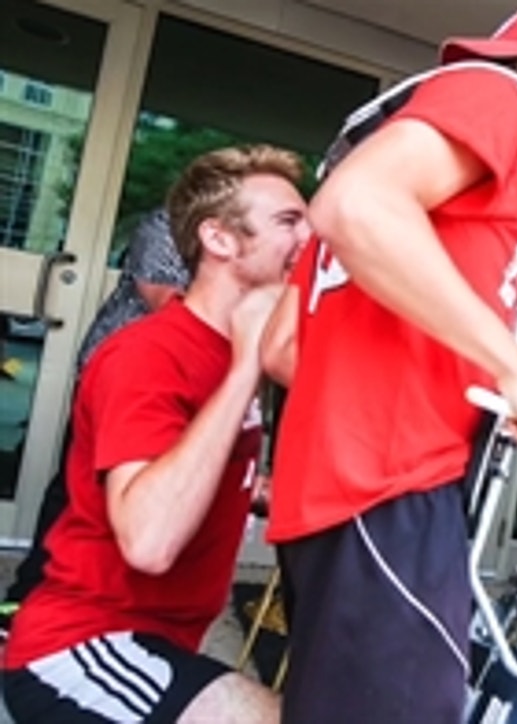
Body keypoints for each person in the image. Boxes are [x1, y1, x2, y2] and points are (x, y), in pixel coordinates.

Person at [262, 5, 517, 722]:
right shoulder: (503, 98)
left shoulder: (400, 139)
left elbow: (281, 350)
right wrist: (514, 367)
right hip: (392, 486)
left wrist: (459, 381)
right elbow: (357, 205)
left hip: (335, 494)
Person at [1, 144, 309, 723]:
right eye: (288, 222)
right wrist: (247, 370)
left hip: (160, 645)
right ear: (218, 239)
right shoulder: (150, 355)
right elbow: (148, 541)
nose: (309, 240)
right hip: (82, 647)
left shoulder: (233, 353)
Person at [1, 209, 189, 617]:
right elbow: (165, 297)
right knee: (79, 487)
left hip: (177, 379)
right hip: (121, 370)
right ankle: (27, 598)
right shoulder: (164, 225)